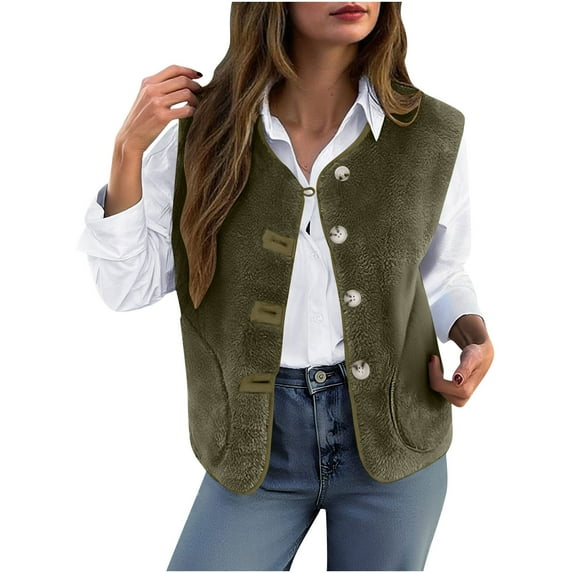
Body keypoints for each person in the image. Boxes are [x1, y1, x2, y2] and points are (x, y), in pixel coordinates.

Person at [78, 2, 494, 570]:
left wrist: (472, 336)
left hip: (394, 440)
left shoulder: (432, 133)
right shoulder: (203, 133)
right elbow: (128, 286)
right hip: (252, 444)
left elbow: (440, 270)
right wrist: (128, 152)